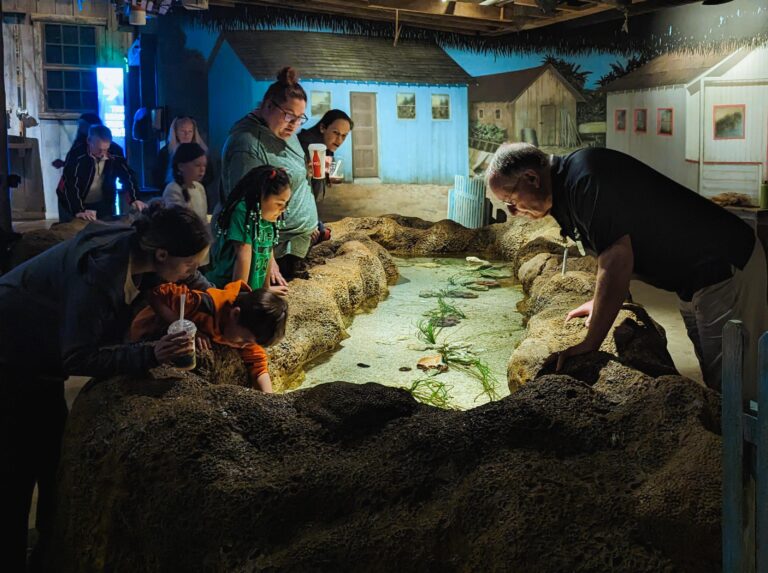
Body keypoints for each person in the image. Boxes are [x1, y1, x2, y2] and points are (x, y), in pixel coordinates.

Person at [0, 202, 211, 571]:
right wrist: (151, 353)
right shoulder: (100, 274)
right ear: (162, 254)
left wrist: (223, 303)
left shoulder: (141, 251)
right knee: (18, 470)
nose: (194, 272)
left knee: (53, 456)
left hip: (38, 360)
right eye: (190, 263)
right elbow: (79, 357)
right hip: (12, 353)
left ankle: (51, 551)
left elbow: (194, 283)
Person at [485, 143, 768, 398]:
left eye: (510, 200)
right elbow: (618, 241)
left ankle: (747, 454)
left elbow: (617, 258)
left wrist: (591, 341)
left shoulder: (585, 179)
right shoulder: (569, 186)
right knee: (716, 374)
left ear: (532, 178)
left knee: (736, 384)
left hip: (723, 265)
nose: (512, 211)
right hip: (694, 278)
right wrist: (600, 300)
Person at [220, 66, 317, 285]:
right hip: (262, 255)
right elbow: (245, 210)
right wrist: (269, 264)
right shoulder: (246, 144)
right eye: (289, 116)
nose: (294, 125)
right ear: (267, 105)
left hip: (292, 245)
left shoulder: (281, 130)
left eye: (300, 118)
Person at [130, 281, 288, 393]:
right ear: (235, 314)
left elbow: (258, 364)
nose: (246, 346)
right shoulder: (202, 304)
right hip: (145, 333)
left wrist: (269, 399)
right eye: (246, 341)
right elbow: (157, 293)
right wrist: (186, 324)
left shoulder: (247, 328)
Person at [207, 166, 291, 297]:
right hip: (227, 289)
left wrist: (265, 289)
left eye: (285, 204)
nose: (283, 209)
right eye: (279, 204)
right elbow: (243, 255)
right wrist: (239, 296)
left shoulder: (267, 214)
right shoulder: (243, 211)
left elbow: (268, 251)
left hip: (252, 292)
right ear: (262, 195)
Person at [61, 124, 146, 222]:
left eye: (106, 150)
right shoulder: (76, 154)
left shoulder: (115, 151)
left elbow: (127, 175)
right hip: (72, 201)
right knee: (73, 232)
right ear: (89, 141)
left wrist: (135, 198)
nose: (102, 154)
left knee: (105, 231)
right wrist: (78, 210)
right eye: (99, 149)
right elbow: (70, 184)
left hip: (103, 201)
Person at [298, 109, 354, 242]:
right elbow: (301, 190)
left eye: (344, 136)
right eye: (336, 133)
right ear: (323, 127)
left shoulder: (325, 146)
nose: (339, 140)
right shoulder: (310, 147)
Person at [153, 116, 211, 190]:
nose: (186, 134)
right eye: (182, 131)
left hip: (196, 190)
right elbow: (157, 177)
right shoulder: (166, 152)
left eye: (190, 131)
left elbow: (209, 175)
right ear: (175, 132)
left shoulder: (201, 151)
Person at [163, 142, 209, 224]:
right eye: (197, 165)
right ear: (181, 166)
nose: (202, 169)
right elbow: (177, 222)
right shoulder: (173, 189)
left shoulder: (199, 187)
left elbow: (203, 221)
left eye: (204, 165)